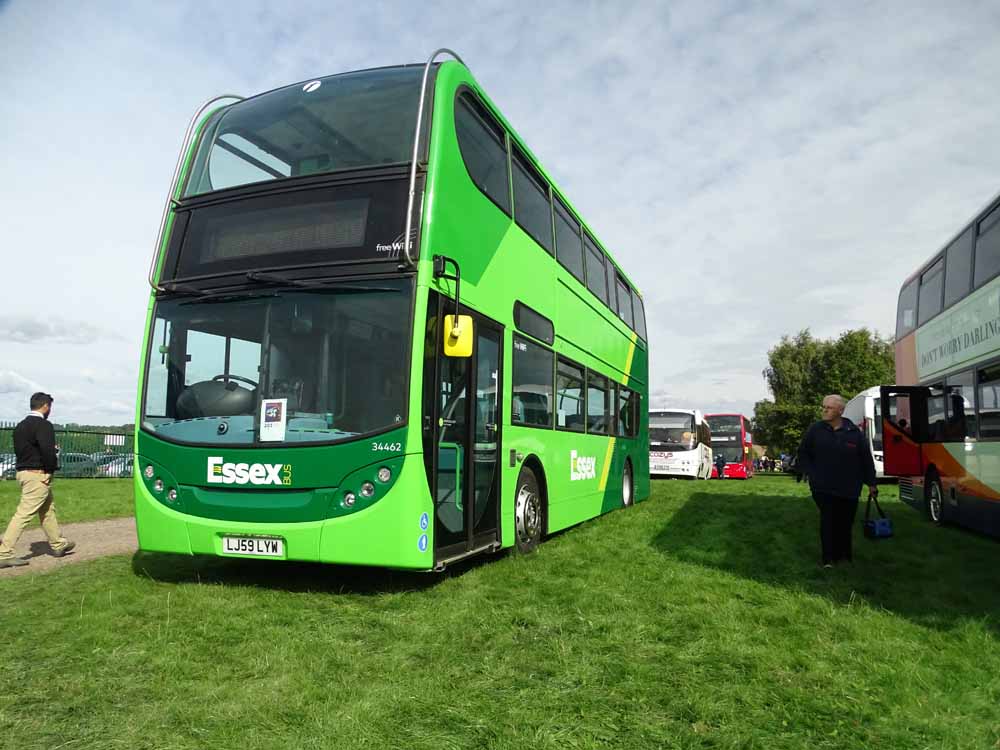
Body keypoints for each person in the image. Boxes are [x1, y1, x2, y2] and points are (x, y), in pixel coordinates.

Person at [797, 394, 876, 568]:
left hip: (849, 487)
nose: (824, 410)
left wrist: (871, 483)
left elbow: (865, 459)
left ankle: (844, 556)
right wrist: (808, 471)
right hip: (822, 487)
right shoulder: (815, 430)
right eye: (823, 407)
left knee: (845, 522)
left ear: (840, 410)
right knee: (828, 520)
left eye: (829, 408)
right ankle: (828, 559)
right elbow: (803, 452)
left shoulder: (854, 432)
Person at [0, 392, 76, 568]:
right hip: (38, 474)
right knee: (24, 514)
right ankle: (4, 553)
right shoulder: (43, 425)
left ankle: (58, 544)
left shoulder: (20, 426)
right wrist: (50, 470)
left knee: (48, 509)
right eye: (50, 407)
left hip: (23, 472)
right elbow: (47, 451)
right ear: (45, 406)